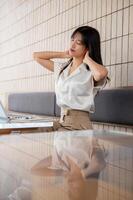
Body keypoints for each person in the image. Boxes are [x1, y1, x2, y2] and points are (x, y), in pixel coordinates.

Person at [33, 26, 108, 131]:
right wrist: (63, 54)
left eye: (78, 43)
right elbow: (36, 56)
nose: (72, 45)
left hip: (78, 125)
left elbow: (101, 74)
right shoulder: (62, 68)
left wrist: (87, 59)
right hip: (61, 121)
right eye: (72, 40)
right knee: (33, 130)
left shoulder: (90, 72)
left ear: (87, 47)